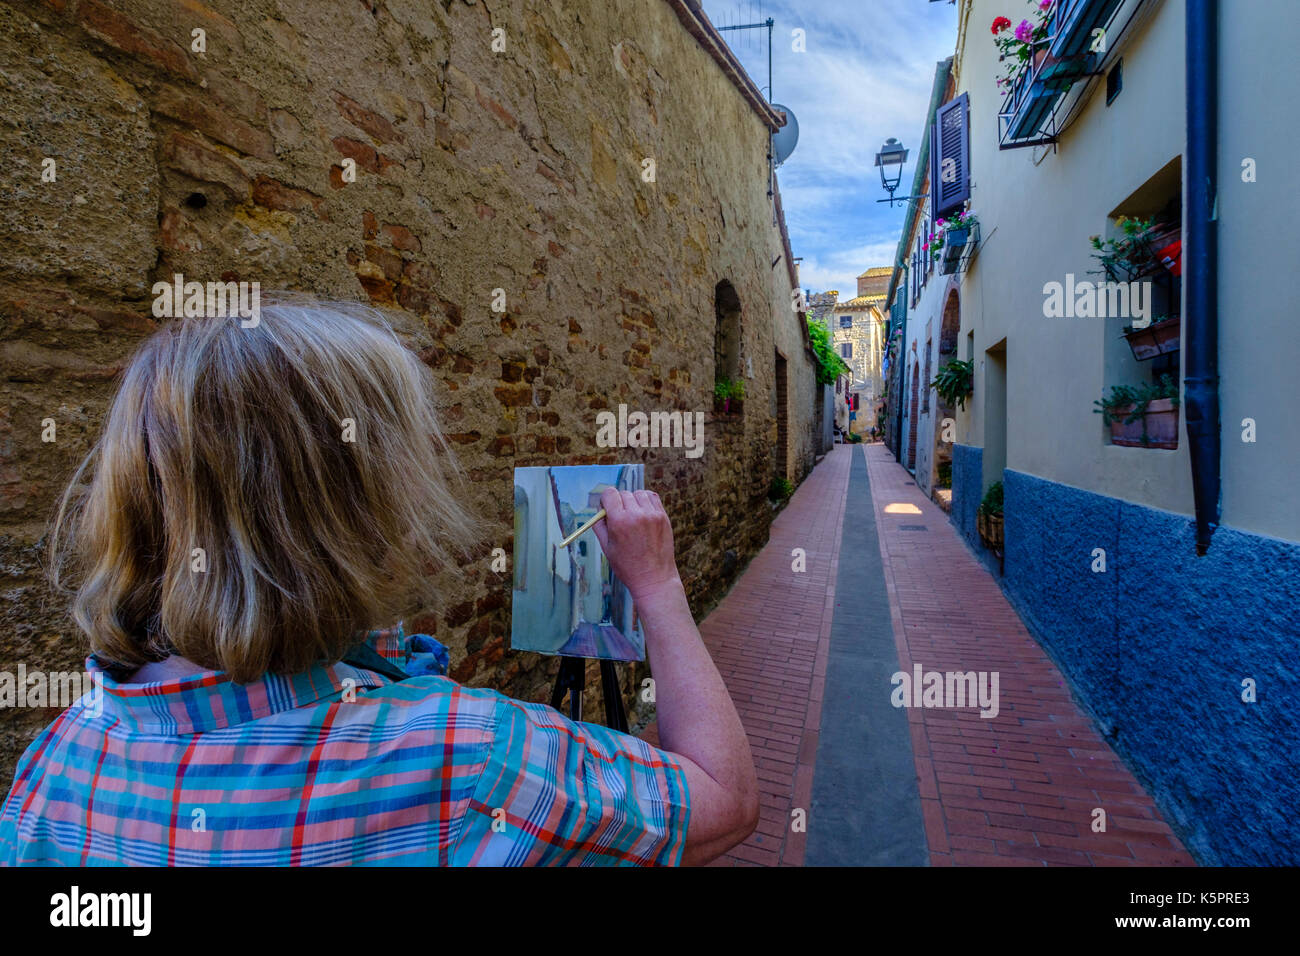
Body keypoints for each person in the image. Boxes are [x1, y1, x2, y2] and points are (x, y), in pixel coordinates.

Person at [0, 297, 758, 866]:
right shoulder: (466, 758)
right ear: (351, 506)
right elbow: (723, 800)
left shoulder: (58, 760)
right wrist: (656, 585)